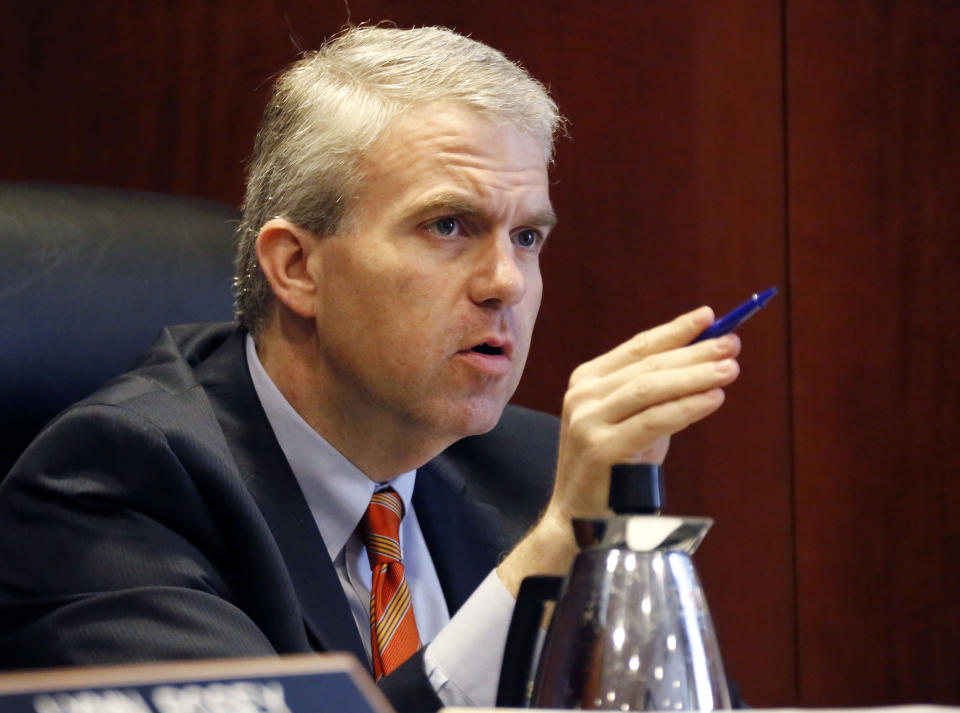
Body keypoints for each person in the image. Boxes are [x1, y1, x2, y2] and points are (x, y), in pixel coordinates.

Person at [0, 26, 742, 712]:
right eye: (448, 225)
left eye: (526, 236)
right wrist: (553, 553)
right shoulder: (115, 487)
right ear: (297, 268)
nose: (506, 282)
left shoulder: (533, 467)